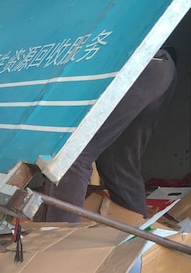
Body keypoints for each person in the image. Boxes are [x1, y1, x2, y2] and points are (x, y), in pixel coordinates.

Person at [44, 49, 177, 222]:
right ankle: (134, 238)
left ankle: (55, 245)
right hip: (159, 65)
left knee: (70, 156)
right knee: (118, 162)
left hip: (129, 64)